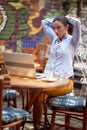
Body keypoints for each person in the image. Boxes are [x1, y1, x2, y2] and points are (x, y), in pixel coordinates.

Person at [24, 15, 82, 129]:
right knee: (38, 94)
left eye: (59, 27)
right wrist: (57, 19)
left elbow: (78, 23)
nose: (55, 31)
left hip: (65, 83)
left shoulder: (73, 41)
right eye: (54, 27)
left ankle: (21, 117)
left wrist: (67, 18)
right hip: (49, 80)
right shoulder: (55, 39)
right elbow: (44, 22)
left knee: (38, 90)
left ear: (67, 27)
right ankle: (36, 126)